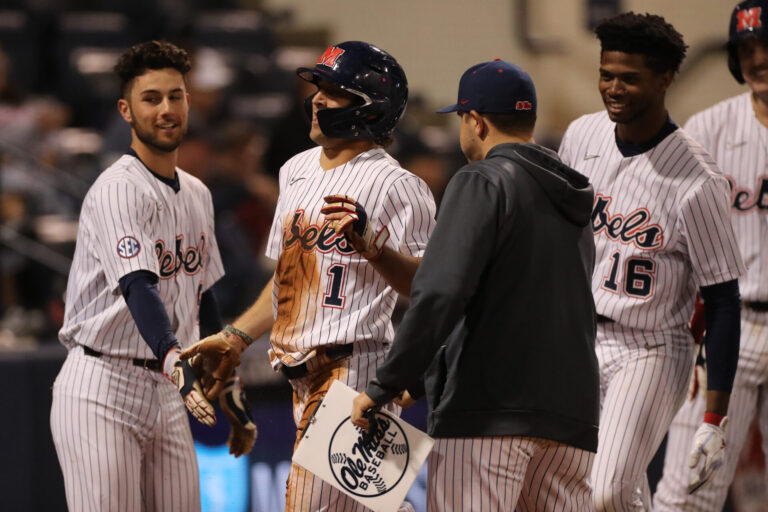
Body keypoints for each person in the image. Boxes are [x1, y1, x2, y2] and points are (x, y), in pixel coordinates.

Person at [181, 41, 436, 512]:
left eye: (333, 91)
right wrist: (237, 335)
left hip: (356, 372)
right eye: (317, 87)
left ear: (370, 109)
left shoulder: (400, 185)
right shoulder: (295, 170)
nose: (316, 99)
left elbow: (429, 288)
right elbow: (286, 278)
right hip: (299, 376)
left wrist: (374, 250)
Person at [350, 58, 600, 512]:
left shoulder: (481, 179)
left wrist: (387, 382)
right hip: (573, 417)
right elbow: (515, 302)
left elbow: (442, 292)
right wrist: (428, 379)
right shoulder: (573, 196)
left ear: (475, 121)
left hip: (489, 413)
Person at [49, 40, 256, 512]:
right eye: (151, 98)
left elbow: (203, 298)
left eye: (175, 96)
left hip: (166, 387)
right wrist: (174, 360)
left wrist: (227, 382)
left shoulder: (199, 193)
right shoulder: (118, 189)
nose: (167, 109)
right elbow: (138, 287)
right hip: (103, 382)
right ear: (125, 110)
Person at [557, 12, 745, 511]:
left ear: (664, 79)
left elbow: (723, 301)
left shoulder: (697, 179)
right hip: (580, 336)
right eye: (606, 74)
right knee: (579, 489)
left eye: (629, 78)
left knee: (610, 488)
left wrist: (715, 417)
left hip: (651, 345)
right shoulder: (581, 136)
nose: (613, 87)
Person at [654, 1, 768, 509]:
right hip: (729, 327)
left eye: (767, 47)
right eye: (746, 49)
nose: (757, 59)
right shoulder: (708, 129)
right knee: (688, 492)